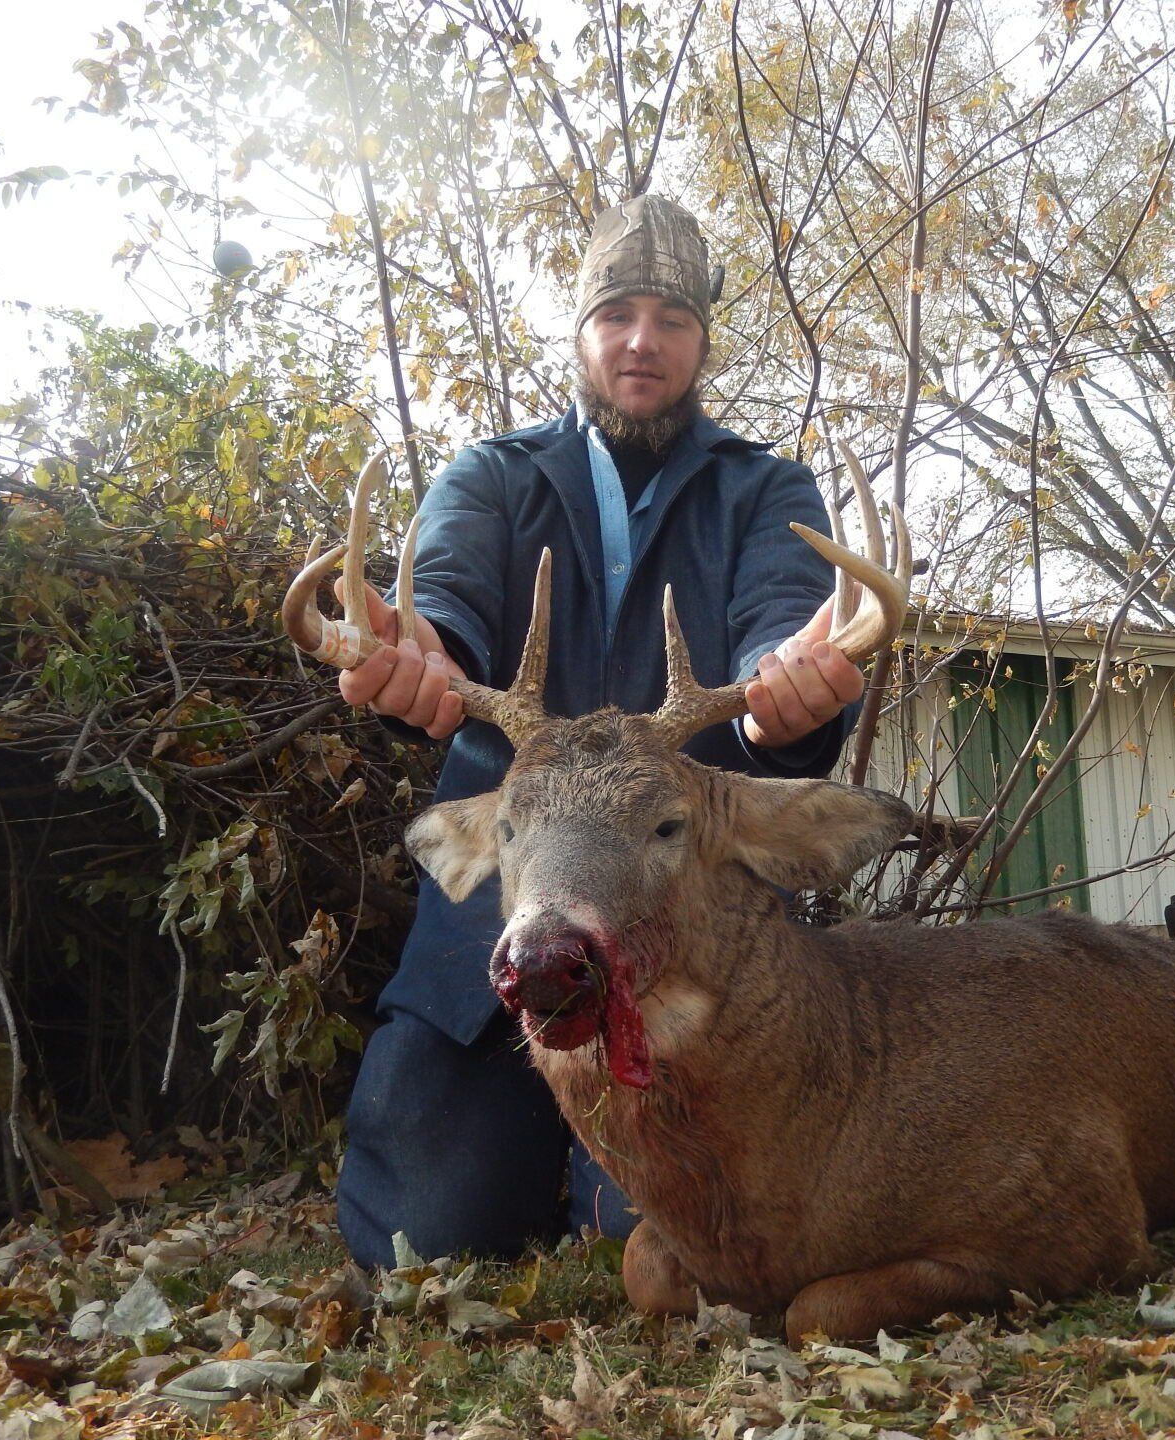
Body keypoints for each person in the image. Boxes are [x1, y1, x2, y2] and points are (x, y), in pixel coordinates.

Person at [332, 194, 866, 1266]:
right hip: (504, 943)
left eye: (672, 318)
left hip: (693, 956)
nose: (642, 341)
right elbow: (444, 602)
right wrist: (423, 653)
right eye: (618, 313)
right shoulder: (491, 478)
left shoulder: (765, 491)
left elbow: (783, 621)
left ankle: (601, 1175)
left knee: (695, 1237)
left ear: (704, 341)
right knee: (420, 1241)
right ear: (580, 331)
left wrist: (790, 686)